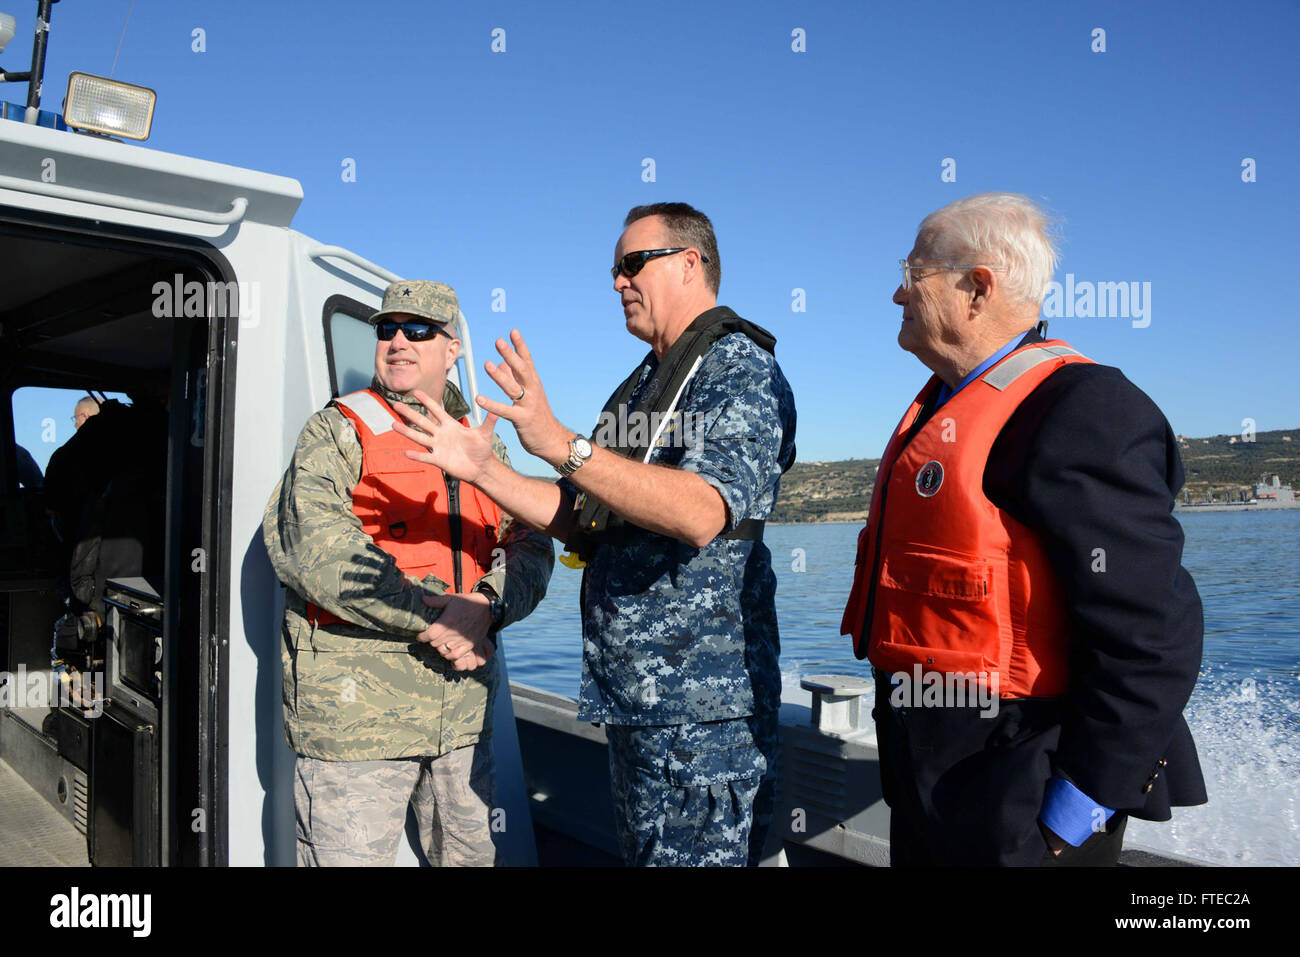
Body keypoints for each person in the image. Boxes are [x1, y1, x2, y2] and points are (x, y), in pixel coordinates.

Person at [391, 203, 797, 866]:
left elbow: (701, 511)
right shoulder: (645, 384)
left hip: (702, 713)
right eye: (614, 268)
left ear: (690, 263)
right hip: (638, 701)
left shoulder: (738, 369)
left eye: (632, 263)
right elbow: (582, 517)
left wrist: (558, 441)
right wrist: (486, 468)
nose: (617, 281)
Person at [841, 192, 1206, 866]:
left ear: (978, 287)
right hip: (931, 785)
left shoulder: (1082, 410)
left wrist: (1071, 817)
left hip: (1022, 797)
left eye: (912, 274)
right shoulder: (939, 408)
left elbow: (1156, 634)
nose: (897, 295)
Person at [262, 279, 554, 867]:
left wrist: (489, 605)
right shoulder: (337, 431)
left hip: (462, 719)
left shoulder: (482, 446)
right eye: (386, 328)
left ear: (452, 349)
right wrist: (437, 618)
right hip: (359, 726)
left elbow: (530, 539)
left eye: (418, 330)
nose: (398, 340)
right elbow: (315, 547)